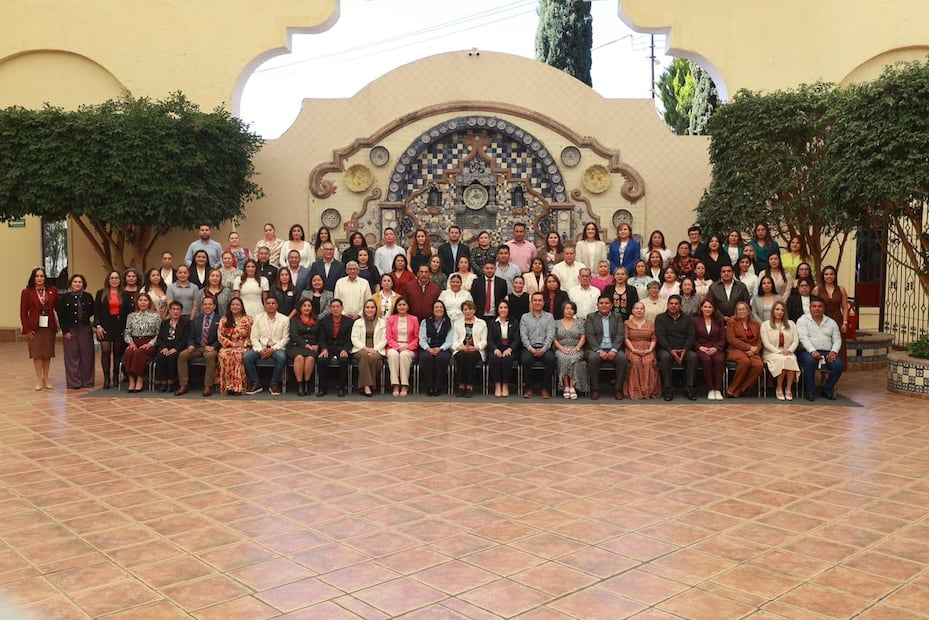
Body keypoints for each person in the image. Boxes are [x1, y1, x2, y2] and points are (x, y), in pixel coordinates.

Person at [797, 296, 845, 401]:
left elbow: (837, 339)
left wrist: (834, 351)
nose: (817, 308)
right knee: (810, 361)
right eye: (814, 306)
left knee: (839, 364)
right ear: (810, 308)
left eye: (820, 306)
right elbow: (803, 338)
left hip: (827, 352)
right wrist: (812, 351)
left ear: (824, 308)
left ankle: (827, 389)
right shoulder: (802, 320)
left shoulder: (831, 322)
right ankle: (810, 391)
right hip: (807, 351)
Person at [584, 295, 628, 400]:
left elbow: (620, 335)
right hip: (596, 348)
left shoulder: (617, 317)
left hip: (613, 348)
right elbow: (589, 335)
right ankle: (594, 389)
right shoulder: (591, 317)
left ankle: (618, 389)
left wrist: (614, 350)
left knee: (623, 358)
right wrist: (599, 350)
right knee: (593, 358)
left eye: (607, 303)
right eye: (601, 303)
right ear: (597, 305)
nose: (604, 305)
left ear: (611, 305)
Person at [655, 295, 698, 401]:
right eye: (671, 303)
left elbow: (691, 336)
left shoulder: (688, 319)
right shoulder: (660, 318)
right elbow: (661, 337)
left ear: (681, 306)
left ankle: (689, 388)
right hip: (666, 349)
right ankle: (668, 388)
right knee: (665, 358)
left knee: (693, 357)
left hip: (684, 348)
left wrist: (685, 349)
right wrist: (670, 350)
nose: (673, 306)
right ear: (667, 305)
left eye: (676, 304)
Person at [243, 296, 290, 395]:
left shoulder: (285, 319)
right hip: (261, 346)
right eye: (268, 303)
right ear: (264, 306)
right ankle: (256, 383)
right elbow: (254, 337)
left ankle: (274, 384)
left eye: (273, 303)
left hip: (277, 347)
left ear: (277, 305)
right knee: (247, 357)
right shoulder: (258, 317)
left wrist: (273, 349)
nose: (271, 305)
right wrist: (260, 350)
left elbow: (285, 338)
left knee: (281, 357)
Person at [176, 296, 220, 397]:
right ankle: (183, 384)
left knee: (210, 356)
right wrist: (191, 345)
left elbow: (221, 338)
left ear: (214, 306)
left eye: (210, 304)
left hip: (211, 347)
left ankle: (208, 385)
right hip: (197, 347)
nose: (207, 306)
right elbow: (191, 336)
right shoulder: (196, 319)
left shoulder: (220, 319)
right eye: (205, 304)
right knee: (182, 355)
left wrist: (214, 347)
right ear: (202, 306)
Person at [56, 273, 95, 389]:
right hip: (70, 330)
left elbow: (93, 311)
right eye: (75, 282)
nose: (77, 284)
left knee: (87, 355)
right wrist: (65, 331)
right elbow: (61, 316)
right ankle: (74, 382)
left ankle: (87, 381)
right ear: (71, 284)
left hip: (85, 329)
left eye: (80, 282)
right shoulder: (64, 298)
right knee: (72, 356)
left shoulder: (88, 296)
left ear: (83, 284)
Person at [94, 271, 128, 389]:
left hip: (119, 326)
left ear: (120, 280)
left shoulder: (125, 294)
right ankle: (106, 378)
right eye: (111, 278)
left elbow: (128, 313)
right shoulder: (101, 293)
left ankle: (116, 377)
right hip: (105, 326)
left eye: (116, 278)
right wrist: (98, 326)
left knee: (118, 352)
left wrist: (127, 328)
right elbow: (96, 311)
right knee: (106, 351)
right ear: (108, 280)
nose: (114, 280)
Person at [761, 300, 800, 401]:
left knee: (791, 359)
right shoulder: (765, 325)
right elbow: (766, 343)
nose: (779, 312)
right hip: (771, 353)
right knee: (783, 360)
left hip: (788, 352)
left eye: (782, 310)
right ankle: (779, 388)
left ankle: (788, 389)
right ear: (773, 311)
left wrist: (789, 351)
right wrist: (779, 352)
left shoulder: (791, 324)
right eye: (777, 309)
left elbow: (795, 341)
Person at [520, 292, 556, 399]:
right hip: (529, 347)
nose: (537, 302)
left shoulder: (549, 317)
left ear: (544, 302)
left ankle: (545, 388)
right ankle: (529, 388)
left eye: (540, 300)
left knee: (551, 359)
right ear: (531, 302)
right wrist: (531, 349)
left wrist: (544, 349)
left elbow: (550, 335)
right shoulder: (525, 317)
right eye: (535, 300)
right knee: (526, 360)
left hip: (545, 347)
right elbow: (523, 336)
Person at [122, 293, 160, 393]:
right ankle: (131, 379)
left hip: (149, 343)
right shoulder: (131, 316)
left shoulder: (155, 316)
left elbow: (159, 334)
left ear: (149, 302)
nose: (143, 302)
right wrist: (131, 343)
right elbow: (127, 332)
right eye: (140, 300)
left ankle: (139, 378)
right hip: (135, 341)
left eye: (145, 300)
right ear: (137, 302)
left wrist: (150, 343)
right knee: (129, 352)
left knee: (139, 353)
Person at [725, 300, 764, 398]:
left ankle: (741, 389)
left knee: (759, 365)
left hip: (752, 351)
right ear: (736, 312)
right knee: (745, 361)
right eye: (739, 310)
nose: (741, 311)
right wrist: (748, 347)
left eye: (743, 309)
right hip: (735, 350)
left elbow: (759, 340)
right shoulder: (732, 322)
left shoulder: (755, 324)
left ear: (748, 311)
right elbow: (731, 339)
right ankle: (732, 388)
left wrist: (756, 349)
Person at [812, 265, 850, 365]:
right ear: (823, 276)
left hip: (837, 319)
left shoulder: (841, 289)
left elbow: (845, 307)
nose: (829, 276)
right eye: (826, 274)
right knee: (825, 343)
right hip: (822, 320)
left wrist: (845, 323)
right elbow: (812, 306)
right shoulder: (817, 290)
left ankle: (836, 366)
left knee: (838, 344)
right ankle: (823, 369)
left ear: (835, 276)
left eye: (831, 274)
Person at [317, 298, 355, 397]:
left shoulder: (349, 322)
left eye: (338, 306)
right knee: (321, 360)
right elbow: (321, 338)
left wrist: (345, 349)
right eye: (333, 307)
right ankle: (322, 388)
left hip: (342, 347)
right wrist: (324, 348)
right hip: (328, 347)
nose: (335, 309)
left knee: (343, 360)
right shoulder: (324, 321)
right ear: (330, 309)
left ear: (342, 308)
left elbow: (350, 339)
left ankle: (342, 387)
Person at [623, 301, 660, 399]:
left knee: (648, 362)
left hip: (648, 348)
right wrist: (633, 350)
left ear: (644, 311)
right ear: (632, 310)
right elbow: (626, 338)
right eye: (637, 308)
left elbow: (654, 339)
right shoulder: (627, 323)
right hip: (631, 347)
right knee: (635, 362)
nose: (639, 310)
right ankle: (635, 391)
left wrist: (649, 350)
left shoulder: (650, 323)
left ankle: (648, 391)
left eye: (641, 309)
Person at [217, 297, 252, 396]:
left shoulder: (248, 319)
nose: (235, 307)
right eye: (233, 305)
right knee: (223, 354)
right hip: (228, 346)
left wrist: (245, 344)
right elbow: (220, 336)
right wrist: (232, 344)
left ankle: (238, 387)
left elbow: (253, 335)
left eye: (237, 305)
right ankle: (227, 386)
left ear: (241, 307)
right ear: (229, 306)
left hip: (243, 346)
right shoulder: (224, 320)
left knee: (238, 354)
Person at [553, 300, 588, 399]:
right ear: (563, 310)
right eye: (567, 309)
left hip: (576, 347)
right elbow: (554, 338)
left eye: (572, 309)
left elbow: (583, 337)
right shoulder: (556, 322)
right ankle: (566, 386)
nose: (569, 311)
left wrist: (577, 348)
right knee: (563, 357)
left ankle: (573, 386)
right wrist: (561, 348)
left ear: (574, 311)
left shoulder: (580, 322)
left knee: (574, 359)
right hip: (561, 348)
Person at [351, 299, 386, 397]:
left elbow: (385, 339)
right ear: (364, 309)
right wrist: (366, 349)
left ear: (376, 309)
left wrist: (375, 349)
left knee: (375, 359)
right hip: (361, 349)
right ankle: (367, 386)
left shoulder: (382, 322)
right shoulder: (358, 322)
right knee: (365, 356)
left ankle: (366, 384)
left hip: (377, 348)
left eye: (372, 307)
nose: (369, 310)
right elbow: (354, 338)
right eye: (367, 307)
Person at [153, 300, 191, 393]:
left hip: (178, 347)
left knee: (172, 356)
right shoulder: (164, 323)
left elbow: (185, 339)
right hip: (165, 346)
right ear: (169, 311)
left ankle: (171, 382)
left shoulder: (186, 323)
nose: (175, 311)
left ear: (181, 311)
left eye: (178, 309)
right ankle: (163, 382)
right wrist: (163, 347)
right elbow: (159, 338)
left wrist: (176, 349)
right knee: (161, 356)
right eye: (173, 309)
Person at [452, 300, 486, 398]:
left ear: (474, 310)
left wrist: (476, 347)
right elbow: (454, 341)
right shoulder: (457, 323)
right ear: (462, 311)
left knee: (471, 356)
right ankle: (461, 385)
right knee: (460, 356)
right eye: (465, 309)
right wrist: (460, 347)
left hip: (476, 350)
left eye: (470, 309)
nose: (468, 311)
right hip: (461, 349)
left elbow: (484, 341)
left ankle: (470, 386)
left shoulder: (482, 323)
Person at [694, 299, 727, 400]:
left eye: (710, 307)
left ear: (713, 309)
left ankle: (717, 389)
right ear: (701, 308)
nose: (707, 309)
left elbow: (723, 338)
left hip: (716, 348)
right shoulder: (695, 320)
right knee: (706, 360)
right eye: (705, 307)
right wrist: (700, 347)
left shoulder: (719, 320)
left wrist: (716, 348)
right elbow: (692, 337)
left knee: (719, 360)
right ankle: (710, 389)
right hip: (701, 348)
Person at [385, 297, 419, 396]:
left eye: (404, 305)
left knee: (404, 355)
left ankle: (404, 385)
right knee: (393, 355)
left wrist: (408, 347)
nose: (402, 307)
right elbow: (388, 337)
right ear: (396, 306)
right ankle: (395, 384)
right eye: (399, 305)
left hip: (409, 347)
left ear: (408, 307)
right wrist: (398, 347)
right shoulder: (391, 319)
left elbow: (417, 337)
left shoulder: (414, 319)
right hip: (393, 346)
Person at [419, 300, 453, 396]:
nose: (439, 309)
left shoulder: (449, 322)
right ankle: (429, 386)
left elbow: (450, 340)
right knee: (426, 358)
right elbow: (422, 339)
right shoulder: (425, 321)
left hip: (443, 348)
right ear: (432, 310)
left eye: (441, 307)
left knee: (442, 358)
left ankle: (438, 386)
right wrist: (428, 349)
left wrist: (440, 348)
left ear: (444, 310)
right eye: (436, 307)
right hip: (428, 347)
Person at [488, 299, 520, 397]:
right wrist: (495, 349)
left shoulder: (514, 322)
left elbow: (517, 339)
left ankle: (505, 385)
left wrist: (510, 349)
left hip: (510, 348)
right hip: (496, 348)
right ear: (497, 309)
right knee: (494, 359)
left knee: (507, 359)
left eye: (505, 307)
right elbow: (489, 339)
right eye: (501, 307)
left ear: (508, 309)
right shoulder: (492, 322)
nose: (503, 310)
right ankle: (497, 385)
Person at [287, 298, 319, 397]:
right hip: (296, 346)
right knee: (299, 358)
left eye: (309, 306)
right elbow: (294, 336)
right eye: (304, 306)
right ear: (300, 308)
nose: (307, 308)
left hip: (312, 347)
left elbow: (320, 335)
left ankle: (307, 384)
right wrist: (307, 346)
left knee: (310, 359)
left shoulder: (316, 320)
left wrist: (317, 345)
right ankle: (299, 385)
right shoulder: (295, 320)